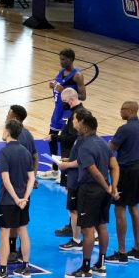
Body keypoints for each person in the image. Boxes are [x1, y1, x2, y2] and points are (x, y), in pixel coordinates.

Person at [65, 111, 120, 278]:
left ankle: (85, 269)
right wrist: (113, 187)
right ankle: (100, 265)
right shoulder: (103, 143)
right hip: (103, 192)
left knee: (88, 230)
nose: (77, 126)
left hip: (90, 190)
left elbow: (95, 172)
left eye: (79, 124)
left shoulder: (84, 147)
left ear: (85, 127)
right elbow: (114, 166)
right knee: (101, 226)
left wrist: (106, 186)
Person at [0, 120, 35, 278]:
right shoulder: (26, 152)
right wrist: (24, 199)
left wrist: (15, 199)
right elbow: (31, 178)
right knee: (23, 231)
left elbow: (6, 180)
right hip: (23, 200)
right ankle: (26, 267)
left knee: (4, 233)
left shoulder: (4, 152)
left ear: (7, 132)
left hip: (7, 200)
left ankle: (2, 270)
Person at [39, 48, 86, 184]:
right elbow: (57, 85)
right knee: (51, 139)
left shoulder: (77, 75)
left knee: (67, 141)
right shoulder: (61, 71)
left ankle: (66, 172)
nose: (61, 61)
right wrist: (52, 85)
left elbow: (83, 96)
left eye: (64, 59)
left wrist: (64, 90)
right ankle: (54, 170)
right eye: (60, 59)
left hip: (69, 112)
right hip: (58, 110)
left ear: (71, 59)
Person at [106, 101, 139, 264]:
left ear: (129, 110)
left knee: (119, 209)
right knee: (134, 207)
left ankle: (121, 252)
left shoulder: (124, 129)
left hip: (125, 171)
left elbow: (110, 148)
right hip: (138, 170)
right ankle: (137, 249)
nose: (120, 111)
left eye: (122, 109)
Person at [45, 87, 85, 236]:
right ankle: (73, 225)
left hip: (72, 159)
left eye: (64, 102)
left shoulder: (78, 115)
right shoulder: (77, 113)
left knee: (72, 196)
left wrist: (54, 137)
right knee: (71, 195)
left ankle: (75, 230)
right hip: (70, 157)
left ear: (71, 99)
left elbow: (73, 137)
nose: (63, 105)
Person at [4, 105, 38, 262]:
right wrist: (33, 177)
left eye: (9, 113)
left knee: (11, 221)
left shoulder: (15, 142)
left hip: (15, 185)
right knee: (21, 222)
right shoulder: (28, 134)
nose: (6, 115)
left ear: (15, 117)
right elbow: (35, 157)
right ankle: (20, 256)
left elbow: (8, 172)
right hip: (25, 185)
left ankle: (10, 251)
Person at [57, 111, 88, 251]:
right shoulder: (80, 138)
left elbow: (82, 160)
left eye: (74, 119)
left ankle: (77, 240)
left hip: (76, 179)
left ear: (80, 121)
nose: (72, 121)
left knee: (74, 210)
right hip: (76, 178)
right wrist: (68, 160)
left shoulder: (82, 139)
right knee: (75, 209)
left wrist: (67, 165)